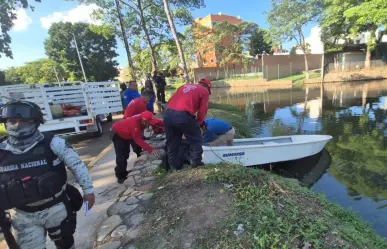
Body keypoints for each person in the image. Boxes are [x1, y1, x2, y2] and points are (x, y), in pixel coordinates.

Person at [0, 100, 95, 249]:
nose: (18, 125)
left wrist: (88, 190)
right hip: (23, 215)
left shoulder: (53, 143)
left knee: (66, 245)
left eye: (24, 121)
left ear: (36, 122)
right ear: (5, 123)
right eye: (13, 121)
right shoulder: (2, 151)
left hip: (56, 208)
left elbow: (77, 166)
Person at [163, 78, 211, 170]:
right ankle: (196, 163)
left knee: (172, 141)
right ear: (207, 87)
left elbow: (170, 101)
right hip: (182, 115)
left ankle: (174, 166)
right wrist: (198, 124)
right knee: (196, 138)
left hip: (167, 114)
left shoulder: (183, 86)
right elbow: (202, 111)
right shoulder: (204, 91)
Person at [111, 111, 162, 183]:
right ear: (143, 120)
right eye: (146, 122)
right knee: (122, 156)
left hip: (126, 133)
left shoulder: (143, 118)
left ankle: (124, 172)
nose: (148, 124)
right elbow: (138, 140)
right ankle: (120, 176)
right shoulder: (134, 124)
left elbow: (158, 122)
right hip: (118, 134)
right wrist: (151, 150)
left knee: (126, 153)